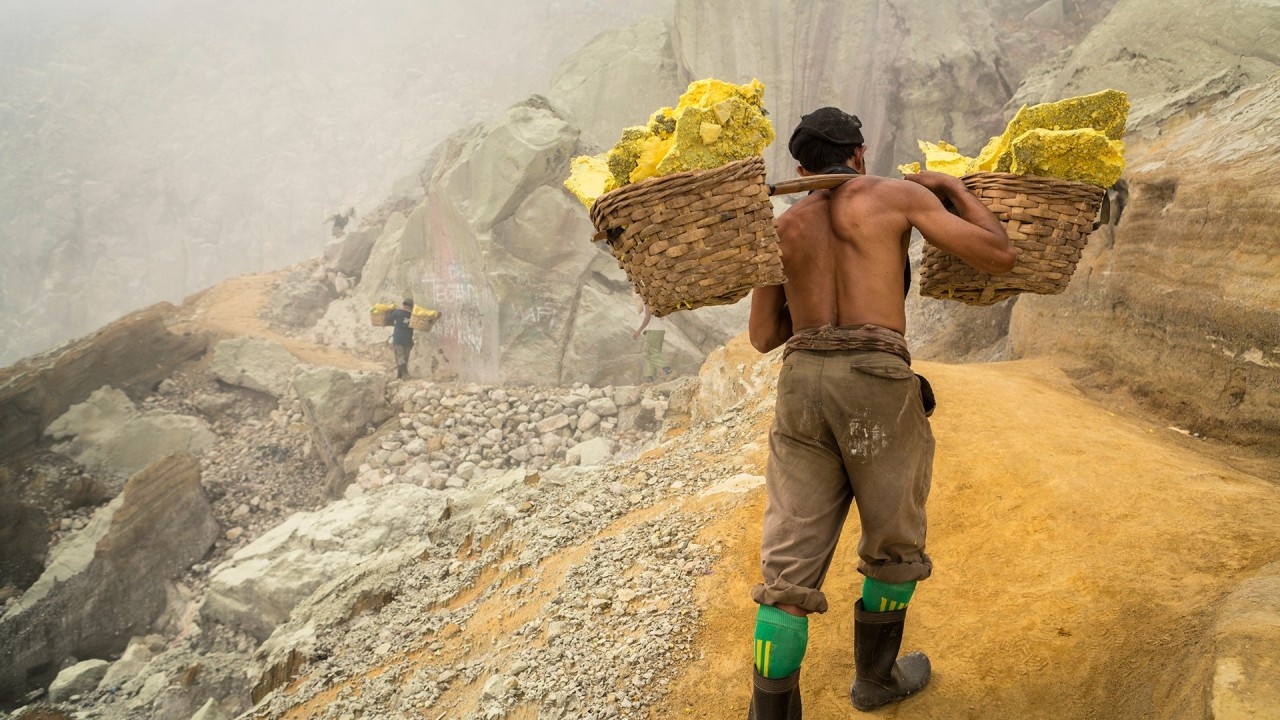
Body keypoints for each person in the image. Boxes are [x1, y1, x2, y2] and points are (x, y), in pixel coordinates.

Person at [744, 107, 1013, 718]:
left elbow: (763, 336)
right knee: (893, 541)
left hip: (803, 383)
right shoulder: (894, 197)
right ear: (859, 155)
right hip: (875, 378)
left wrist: (811, 300)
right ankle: (876, 679)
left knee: (787, 568)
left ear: (802, 168)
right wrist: (948, 187)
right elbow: (999, 254)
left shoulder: (783, 227)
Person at [633, 302, 672, 383]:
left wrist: (639, 331)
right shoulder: (657, 300)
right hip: (660, 329)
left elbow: (647, 317)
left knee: (648, 353)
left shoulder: (648, 302)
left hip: (652, 330)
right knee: (651, 354)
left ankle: (667, 369)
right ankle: (650, 377)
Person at [388, 298, 416, 380]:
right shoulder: (414, 315)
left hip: (398, 338)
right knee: (405, 358)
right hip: (408, 339)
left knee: (400, 357)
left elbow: (388, 319)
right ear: (411, 306)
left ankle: (405, 375)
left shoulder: (398, 312)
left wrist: (390, 312)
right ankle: (400, 376)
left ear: (403, 304)